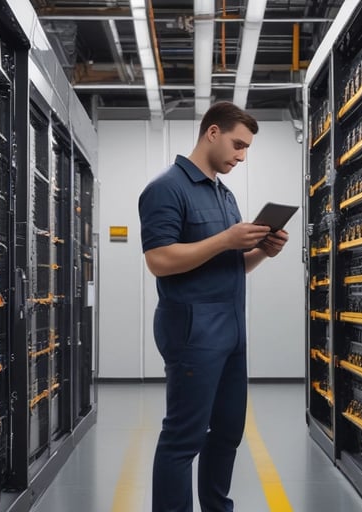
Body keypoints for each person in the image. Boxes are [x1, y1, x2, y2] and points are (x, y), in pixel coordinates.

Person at [138, 101, 289, 512]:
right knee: (183, 438)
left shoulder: (225, 196)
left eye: (247, 149)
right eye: (238, 145)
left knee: (226, 433)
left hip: (230, 331)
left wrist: (262, 251)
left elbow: (230, 265)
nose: (241, 156)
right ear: (212, 133)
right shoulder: (166, 188)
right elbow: (159, 260)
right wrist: (225, 240)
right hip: (193, 331)